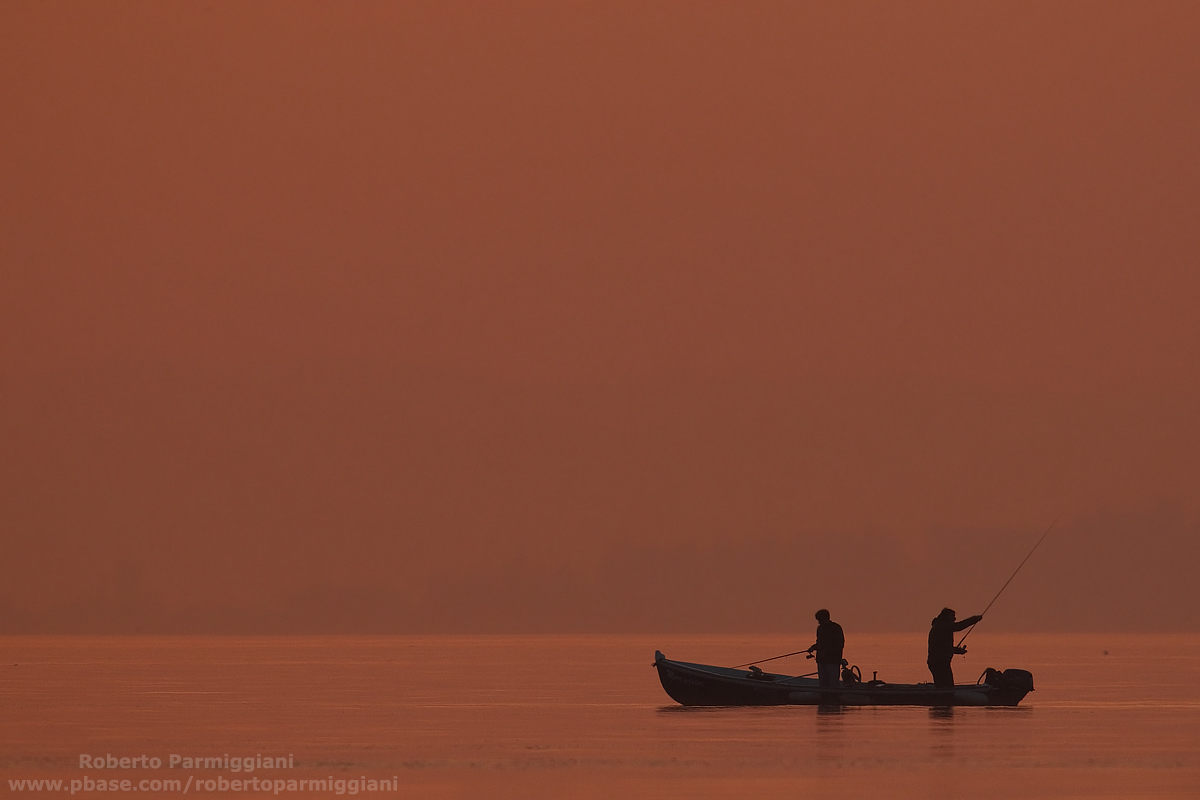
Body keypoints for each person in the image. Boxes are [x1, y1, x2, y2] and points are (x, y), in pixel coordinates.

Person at [927, 607, 983, 688]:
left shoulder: (941, 626)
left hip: (939, 662)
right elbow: (959, 626)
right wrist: (974, 619)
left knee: (944, 686)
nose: (954, 618)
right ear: (946, 616)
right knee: (946, 686)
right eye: (952, 616)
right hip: (939, 663)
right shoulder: (943, 625)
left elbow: (943, 647)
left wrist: (958, 650)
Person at [806, 609, 845, 688]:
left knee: (833, 683)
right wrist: (813, 647)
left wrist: (826, 652)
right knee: (823, 683)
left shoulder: (836, 628)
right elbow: (819, 643)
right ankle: (824, 697)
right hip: (821, 660)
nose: (819, 622)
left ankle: (834, 697)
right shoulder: (820, 629)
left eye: (820, 620)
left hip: (833, 661)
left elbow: (839, 644)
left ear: (825, 618)